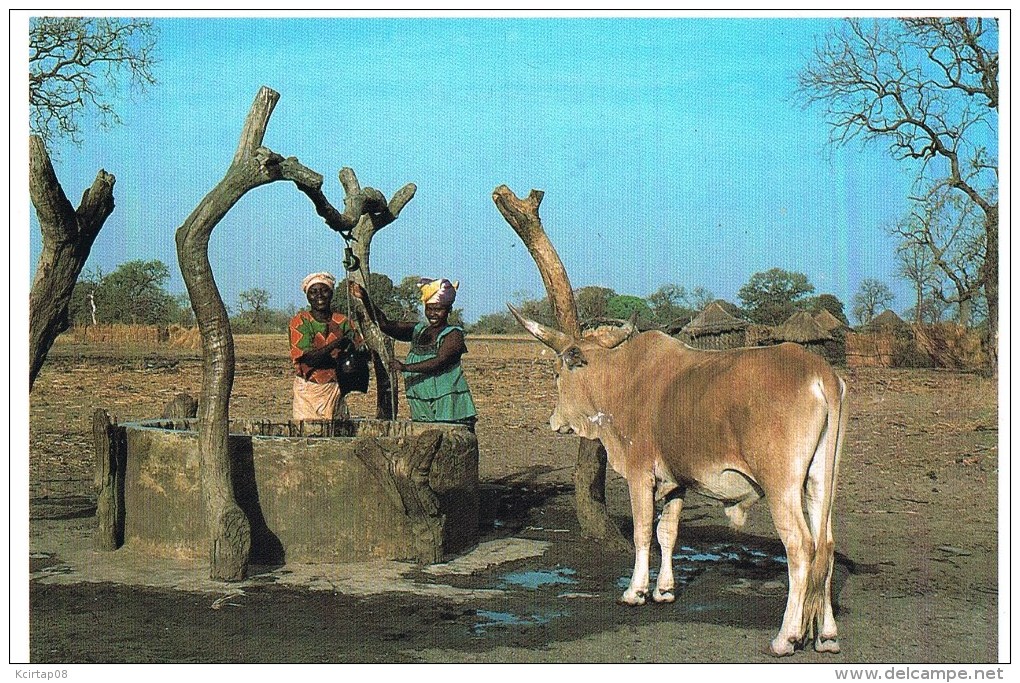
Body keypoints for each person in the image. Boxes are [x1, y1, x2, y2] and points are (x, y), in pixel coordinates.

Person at [349, 277, 477, 429]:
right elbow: (385, 324)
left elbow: (439, 361)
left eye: (438, 309)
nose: (432, 314)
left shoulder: (454, 335)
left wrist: (405, 367)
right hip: (420, 399)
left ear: (449, 310)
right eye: (429, 308)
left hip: (448, 401)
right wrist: (365, 298)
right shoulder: (419, 330)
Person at [289, 271, 363, 421]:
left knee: (337, 433)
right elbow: (308, 358)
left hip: (335, 389)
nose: (319, 295)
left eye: (324, 290)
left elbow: (358, 351)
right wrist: (336, 344)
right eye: (313, 292)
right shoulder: (300, 321)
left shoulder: (343, 321)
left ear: (332, 293)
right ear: (307, 296)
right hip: (308, 390)